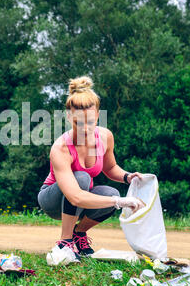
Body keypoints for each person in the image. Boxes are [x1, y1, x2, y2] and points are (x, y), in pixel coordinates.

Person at [37, 75, 144, 265]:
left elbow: (110, 168)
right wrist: (121, 202)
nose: (85, 128)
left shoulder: (104, 137)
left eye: (90, 121)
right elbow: (76, 197)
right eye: (79, 122)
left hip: (80, 195)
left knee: (111, 193)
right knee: (83, 178)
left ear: (97, 116)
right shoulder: (61, 148)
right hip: (53, 200)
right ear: (69, 117)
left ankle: (79, 234)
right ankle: (65, 242)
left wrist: (128, 177)